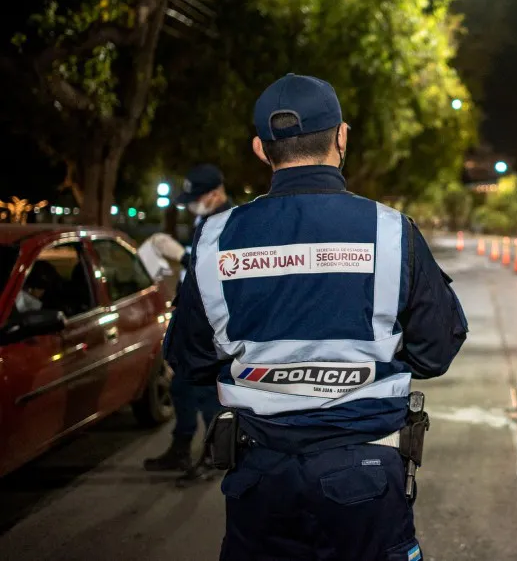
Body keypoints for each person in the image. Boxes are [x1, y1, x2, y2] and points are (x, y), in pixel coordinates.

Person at [164, 74, 467, 560]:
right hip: (366, 472)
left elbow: (190, 358)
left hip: (259, 478)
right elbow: (435, 350)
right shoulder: (391, 232)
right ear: (342, 137)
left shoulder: (214, 240)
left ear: (262, 150)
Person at [144, 164, 234, 485]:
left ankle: (214, 456)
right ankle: (180, 447)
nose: (191, 204)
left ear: (214, 194)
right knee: (181, 385)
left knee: (209, 392)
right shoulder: (204, 218)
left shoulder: (229, 221)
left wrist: (181, 256)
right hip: (192, 315)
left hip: (210, 322)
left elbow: (216, 268)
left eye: (196, 197)